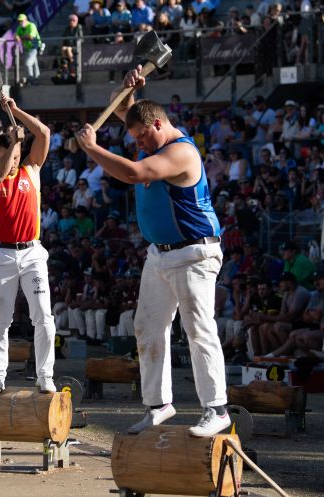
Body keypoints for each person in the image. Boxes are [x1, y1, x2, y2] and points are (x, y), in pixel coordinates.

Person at [75, 64, 229, 437]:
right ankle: (159, 404)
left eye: (141, 138)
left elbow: (133, 174)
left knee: (198, 328)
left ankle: (217, 408)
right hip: (160, 254)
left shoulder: (181, 153)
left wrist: (94, 149)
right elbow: (130, 112)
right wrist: (128, 91)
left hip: (193, 253)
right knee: (147, 328)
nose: (138, 145)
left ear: (158, 125)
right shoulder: (154, 135)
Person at [0, 94, 56, 394]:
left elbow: (44, 133)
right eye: (8, 149)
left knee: (43, 316)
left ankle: (45, 375)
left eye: (18, 148)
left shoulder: (31, 171)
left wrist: (16, 110)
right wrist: (12, 144)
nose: (16, 154)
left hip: (33, 251)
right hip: (2, 255)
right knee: (1, 319)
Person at [14, 14, 41, 86]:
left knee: (28, 63)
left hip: (34, 47)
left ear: (26, 20)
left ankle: (31, 79)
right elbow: (16, 35)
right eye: (19, 21)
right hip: (27, 48)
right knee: (34, 64)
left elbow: (31, 37)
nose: (20, 22)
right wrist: (16, 36)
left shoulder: (32, 25)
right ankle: (36, 79)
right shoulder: (20, 27)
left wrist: (20, 37)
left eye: (21, 21)